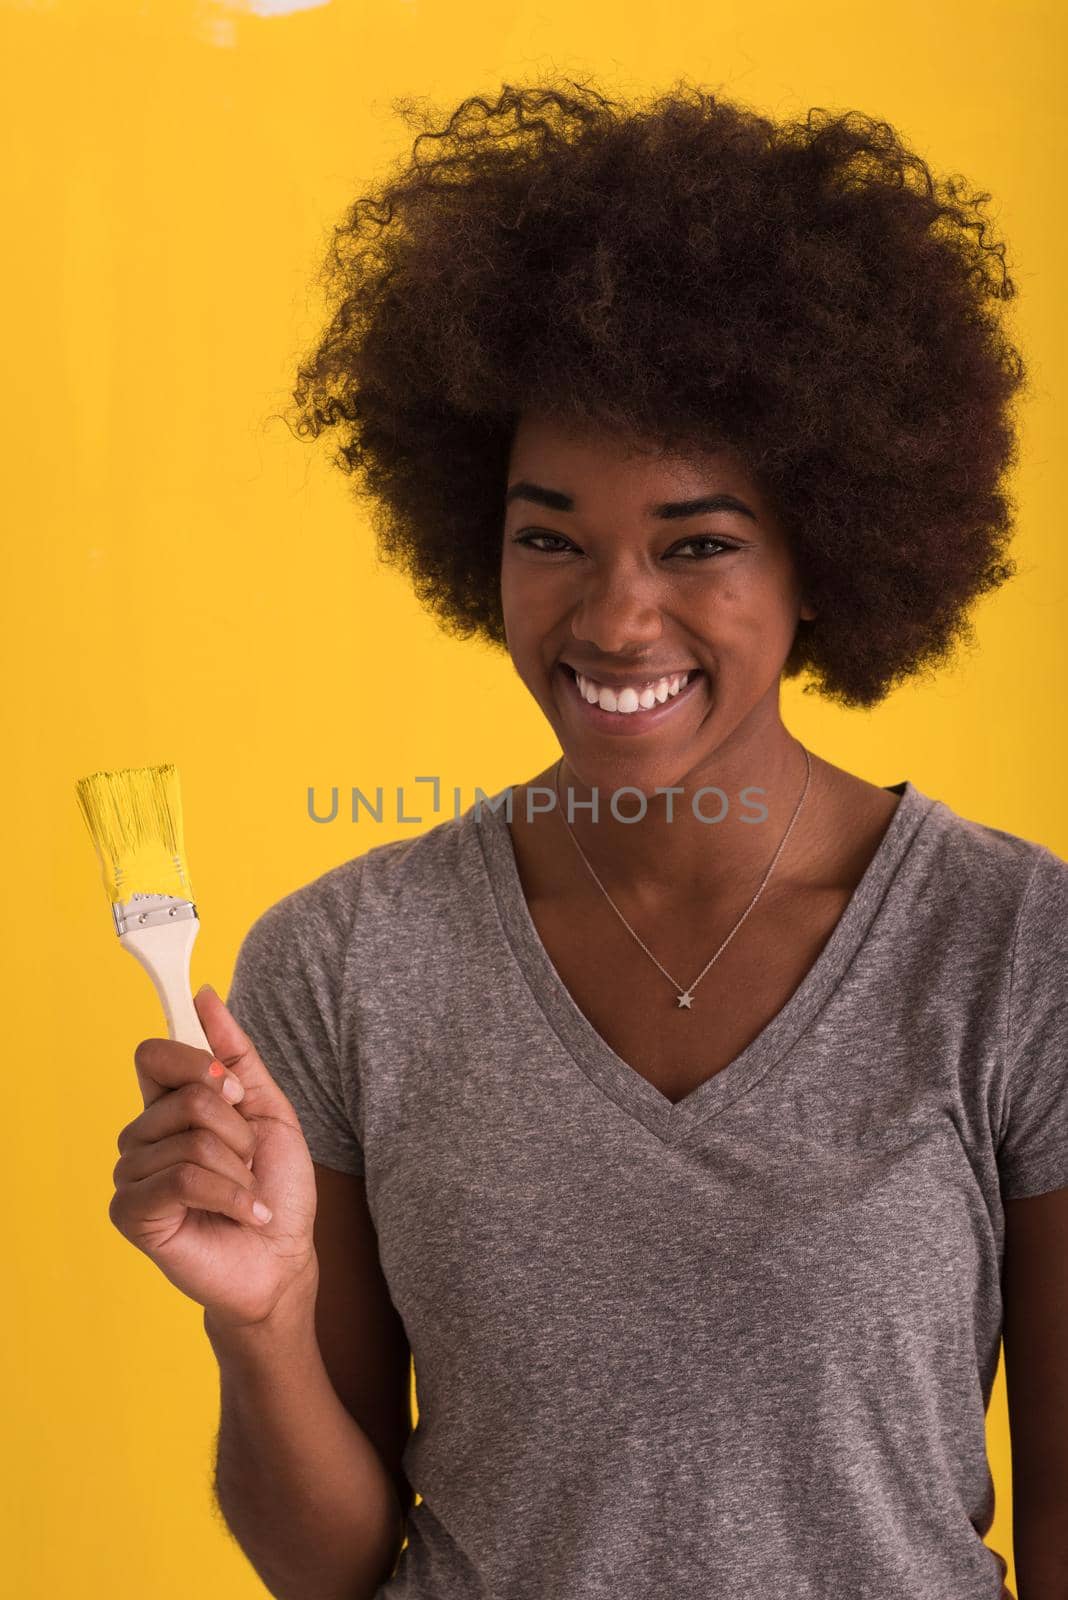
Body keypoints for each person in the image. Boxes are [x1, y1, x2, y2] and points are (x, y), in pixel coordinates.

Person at [109, 80, 1067, 1600]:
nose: (615, 616)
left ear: (825, 552)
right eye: (548, 537)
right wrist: (261, 1316)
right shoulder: (345, 962)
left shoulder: (1016, 951)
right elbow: (334, 1571)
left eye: (698, 544)